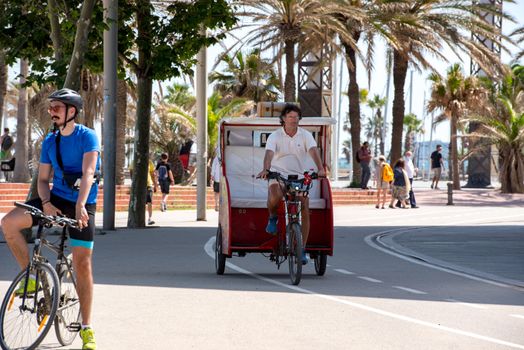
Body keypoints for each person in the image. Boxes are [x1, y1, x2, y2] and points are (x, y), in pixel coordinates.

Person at [1, 88, 99, 349]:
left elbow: (89, 173)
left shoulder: (87, 136)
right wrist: (46, 203)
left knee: (82, 263)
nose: (51, 111)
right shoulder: (49, 141)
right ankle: (32, 277)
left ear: (72, 111)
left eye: (57, 107)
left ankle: (87, 328)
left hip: (83, 203)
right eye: (50, 107)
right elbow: (43, 180)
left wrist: (80, 207)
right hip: (54, 200)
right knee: (9, 223)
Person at [257, 104, 326, 265]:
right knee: (275, 195)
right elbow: (269, 153)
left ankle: (302, 249)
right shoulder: (275, 136)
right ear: (283, 119)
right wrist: (266, 169)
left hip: (299, 176)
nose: (293, 120)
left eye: (296, 117)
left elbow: (313, 151)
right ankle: (273, 217)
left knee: (305, 208)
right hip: (278, 174)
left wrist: (321, 169)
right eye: (290, 117)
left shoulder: (305, 135)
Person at [129, 158, 158, 225]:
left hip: (149, 185)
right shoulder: (134, 161)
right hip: (139, 185)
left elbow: (152, 174)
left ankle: (150, 218)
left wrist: (155, 185)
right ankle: (139, 219)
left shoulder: (149, 162)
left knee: (149, 201)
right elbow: (131, 171)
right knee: (140, 202)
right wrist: (133, 181)